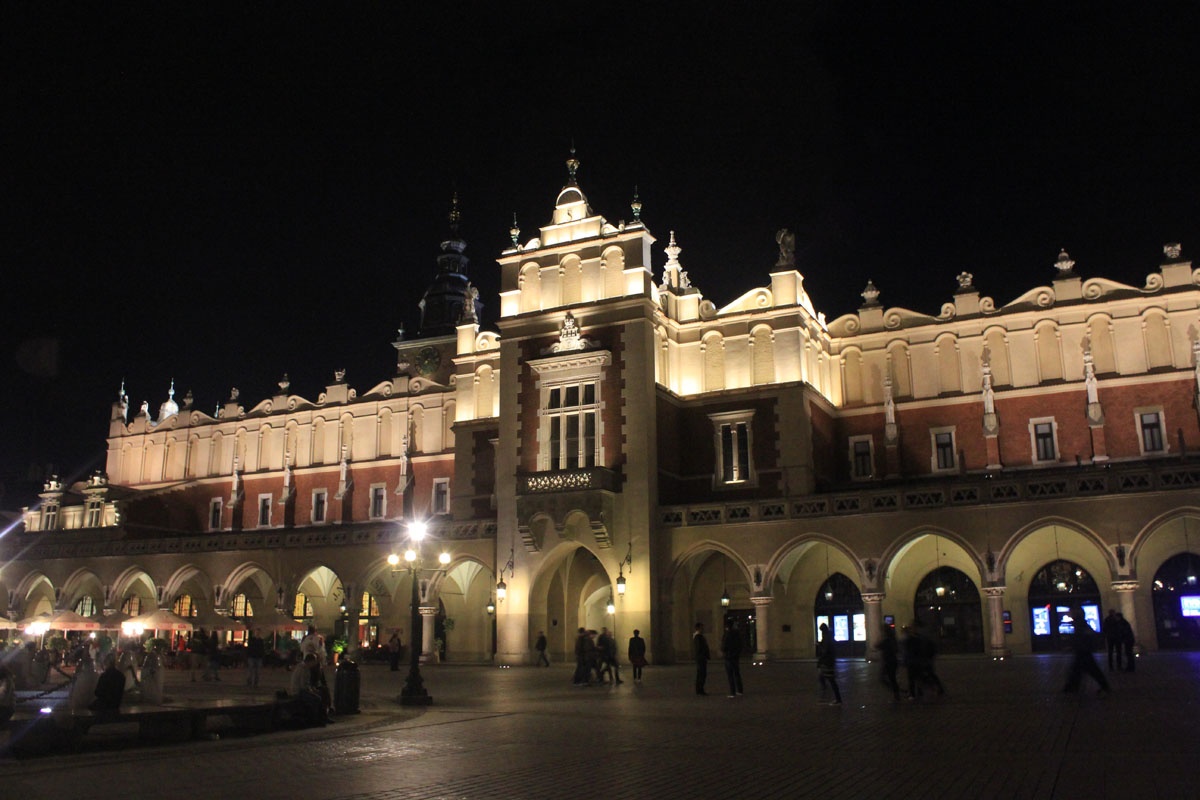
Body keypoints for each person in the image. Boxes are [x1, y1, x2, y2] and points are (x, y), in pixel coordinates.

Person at [1063, 605, 1110, 695]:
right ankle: (1071, 687)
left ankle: (1071, 687)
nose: (1069, 613)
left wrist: (1073, 645)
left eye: (1071, 611)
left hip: (1083, 650)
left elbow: (1080, 637)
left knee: (1089, 669)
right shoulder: (1080, 622)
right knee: (1081, 669)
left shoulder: (1079, 623)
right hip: (1083, 650)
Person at [289, 653, 332, 725]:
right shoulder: (304, 669)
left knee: (323, 692)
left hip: (300, 690)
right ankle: (316, 719)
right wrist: (313, 690)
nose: (315, 664)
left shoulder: (302, 666)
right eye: (314, 661)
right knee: (317, 698)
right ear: (311, 661)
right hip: (298, 692)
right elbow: (304, 686)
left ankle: (323, 717)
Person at [816, 623, 842, 705]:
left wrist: (820, 646)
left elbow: (825, 650)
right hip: (829, 662)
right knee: (823, 678)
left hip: (827, 662)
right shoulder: (829, 637)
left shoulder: (826, 638)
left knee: (831, 680)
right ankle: (826, 695)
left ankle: (837, 699)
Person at [876, 624, 901, 701]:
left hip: (888, 662)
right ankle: (896, 692)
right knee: (891, 678)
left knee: (887, 678)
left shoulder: (886, 640)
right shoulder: (892, 639)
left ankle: (896, 692)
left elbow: (877, 645)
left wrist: (879, 638)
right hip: (892, 661)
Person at [721, 620, 744, 697]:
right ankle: (740, 690)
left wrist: (724, 651)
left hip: (729, 656)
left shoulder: (727, 635)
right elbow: (740, 645)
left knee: (730, 675)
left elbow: (724, 646)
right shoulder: (737, 634)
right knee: (737, 673)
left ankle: (732, 692)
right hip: (735, 656)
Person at [693, 622, 710, 695]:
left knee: (701, 674)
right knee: (701, 674)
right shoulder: (698, 637)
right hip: (701, 658)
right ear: (699, 628)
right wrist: (703, 655)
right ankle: (700, 690)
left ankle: (700, 689)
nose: (703, 629)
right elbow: (699, 648)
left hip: (700, 657)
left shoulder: (698, 636)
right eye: (702, 627)